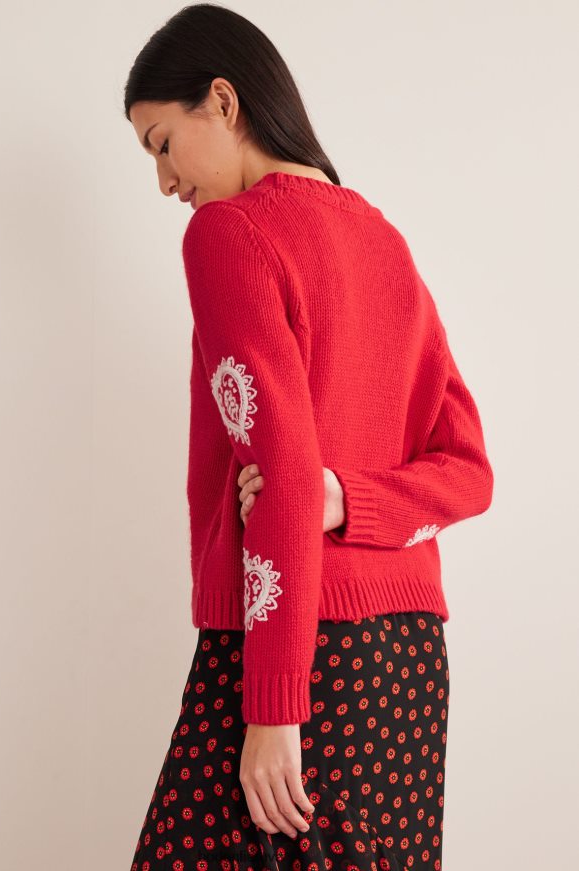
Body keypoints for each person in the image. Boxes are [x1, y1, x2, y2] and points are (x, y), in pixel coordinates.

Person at [125, 5, 494, 869]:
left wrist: (273, 707)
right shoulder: (383, 240)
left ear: (223, 101)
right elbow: (470, 473)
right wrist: (351, 498)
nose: (165, 182)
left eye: (162, 144)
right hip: (407, 666)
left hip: (297, 648)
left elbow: (287, 474)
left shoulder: (228, 233)